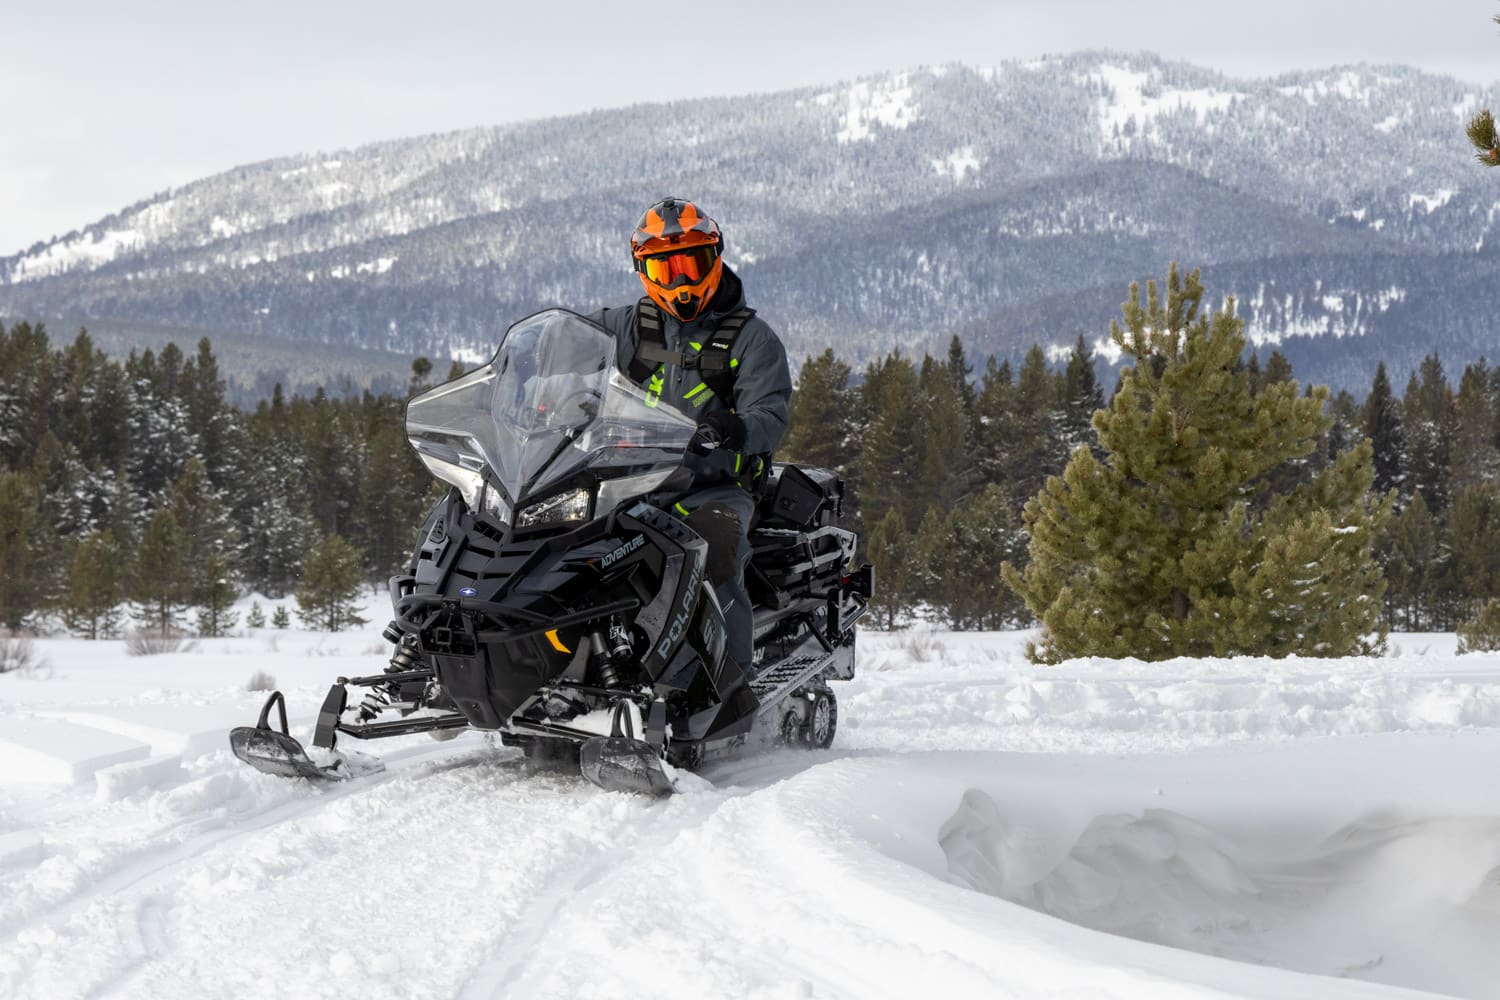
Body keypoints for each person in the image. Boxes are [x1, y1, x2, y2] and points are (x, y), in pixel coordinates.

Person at [594, 197, 792, 678]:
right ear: (644, 272)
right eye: (667, 269)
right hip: (626, 482)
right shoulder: (623, 327)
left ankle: (731, 687)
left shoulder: (751, 339)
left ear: (715, 257)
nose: (681, 280)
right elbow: (568, 356)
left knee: (712, 555)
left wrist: (735, 428)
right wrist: (538, 390)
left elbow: (771, 413)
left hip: (713, 487)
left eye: (691, 263)